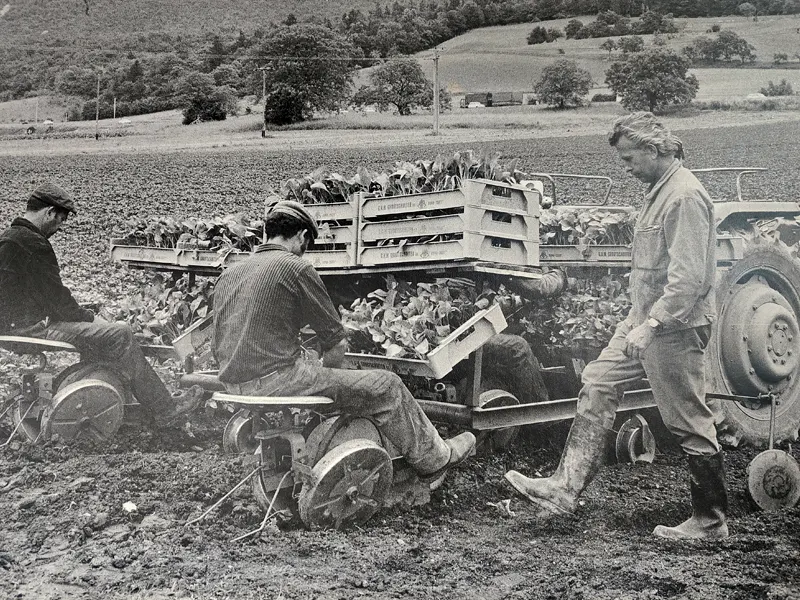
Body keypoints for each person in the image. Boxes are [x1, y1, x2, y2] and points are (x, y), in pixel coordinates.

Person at [505, 112, 728, 541]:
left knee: (687, 419)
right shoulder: (656, 193)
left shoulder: (683, 197)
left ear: (654, 149)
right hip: (642, 321)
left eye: (629, 158)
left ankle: (710, 521)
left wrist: (653, 324)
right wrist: (637, 321)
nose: (625, 167)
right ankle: (565, 489)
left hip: (673, 328)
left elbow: (689, 280)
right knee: (598, 380)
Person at [212, 200, 476, 484]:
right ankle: (436, 459)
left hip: (231, 382)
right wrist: (330, 379)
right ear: (301, 236)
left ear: (268, 233)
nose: (305, 251)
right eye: (307, 245)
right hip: (274, 381)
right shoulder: (295, 268)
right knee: (387, 386)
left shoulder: (231, 273)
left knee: (314, 371)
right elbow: (336, 343)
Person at [0, 182, 202, 429]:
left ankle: (105, 389)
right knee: (121, 334)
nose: (59, 227)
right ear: (49, 212)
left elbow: (32, 293)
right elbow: (59, 301)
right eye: (60, 220)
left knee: (100, 334)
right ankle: (165, 409)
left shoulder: (9, 239)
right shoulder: (34, 244)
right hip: (30, 328)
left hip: (12, 325)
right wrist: (89, 316)